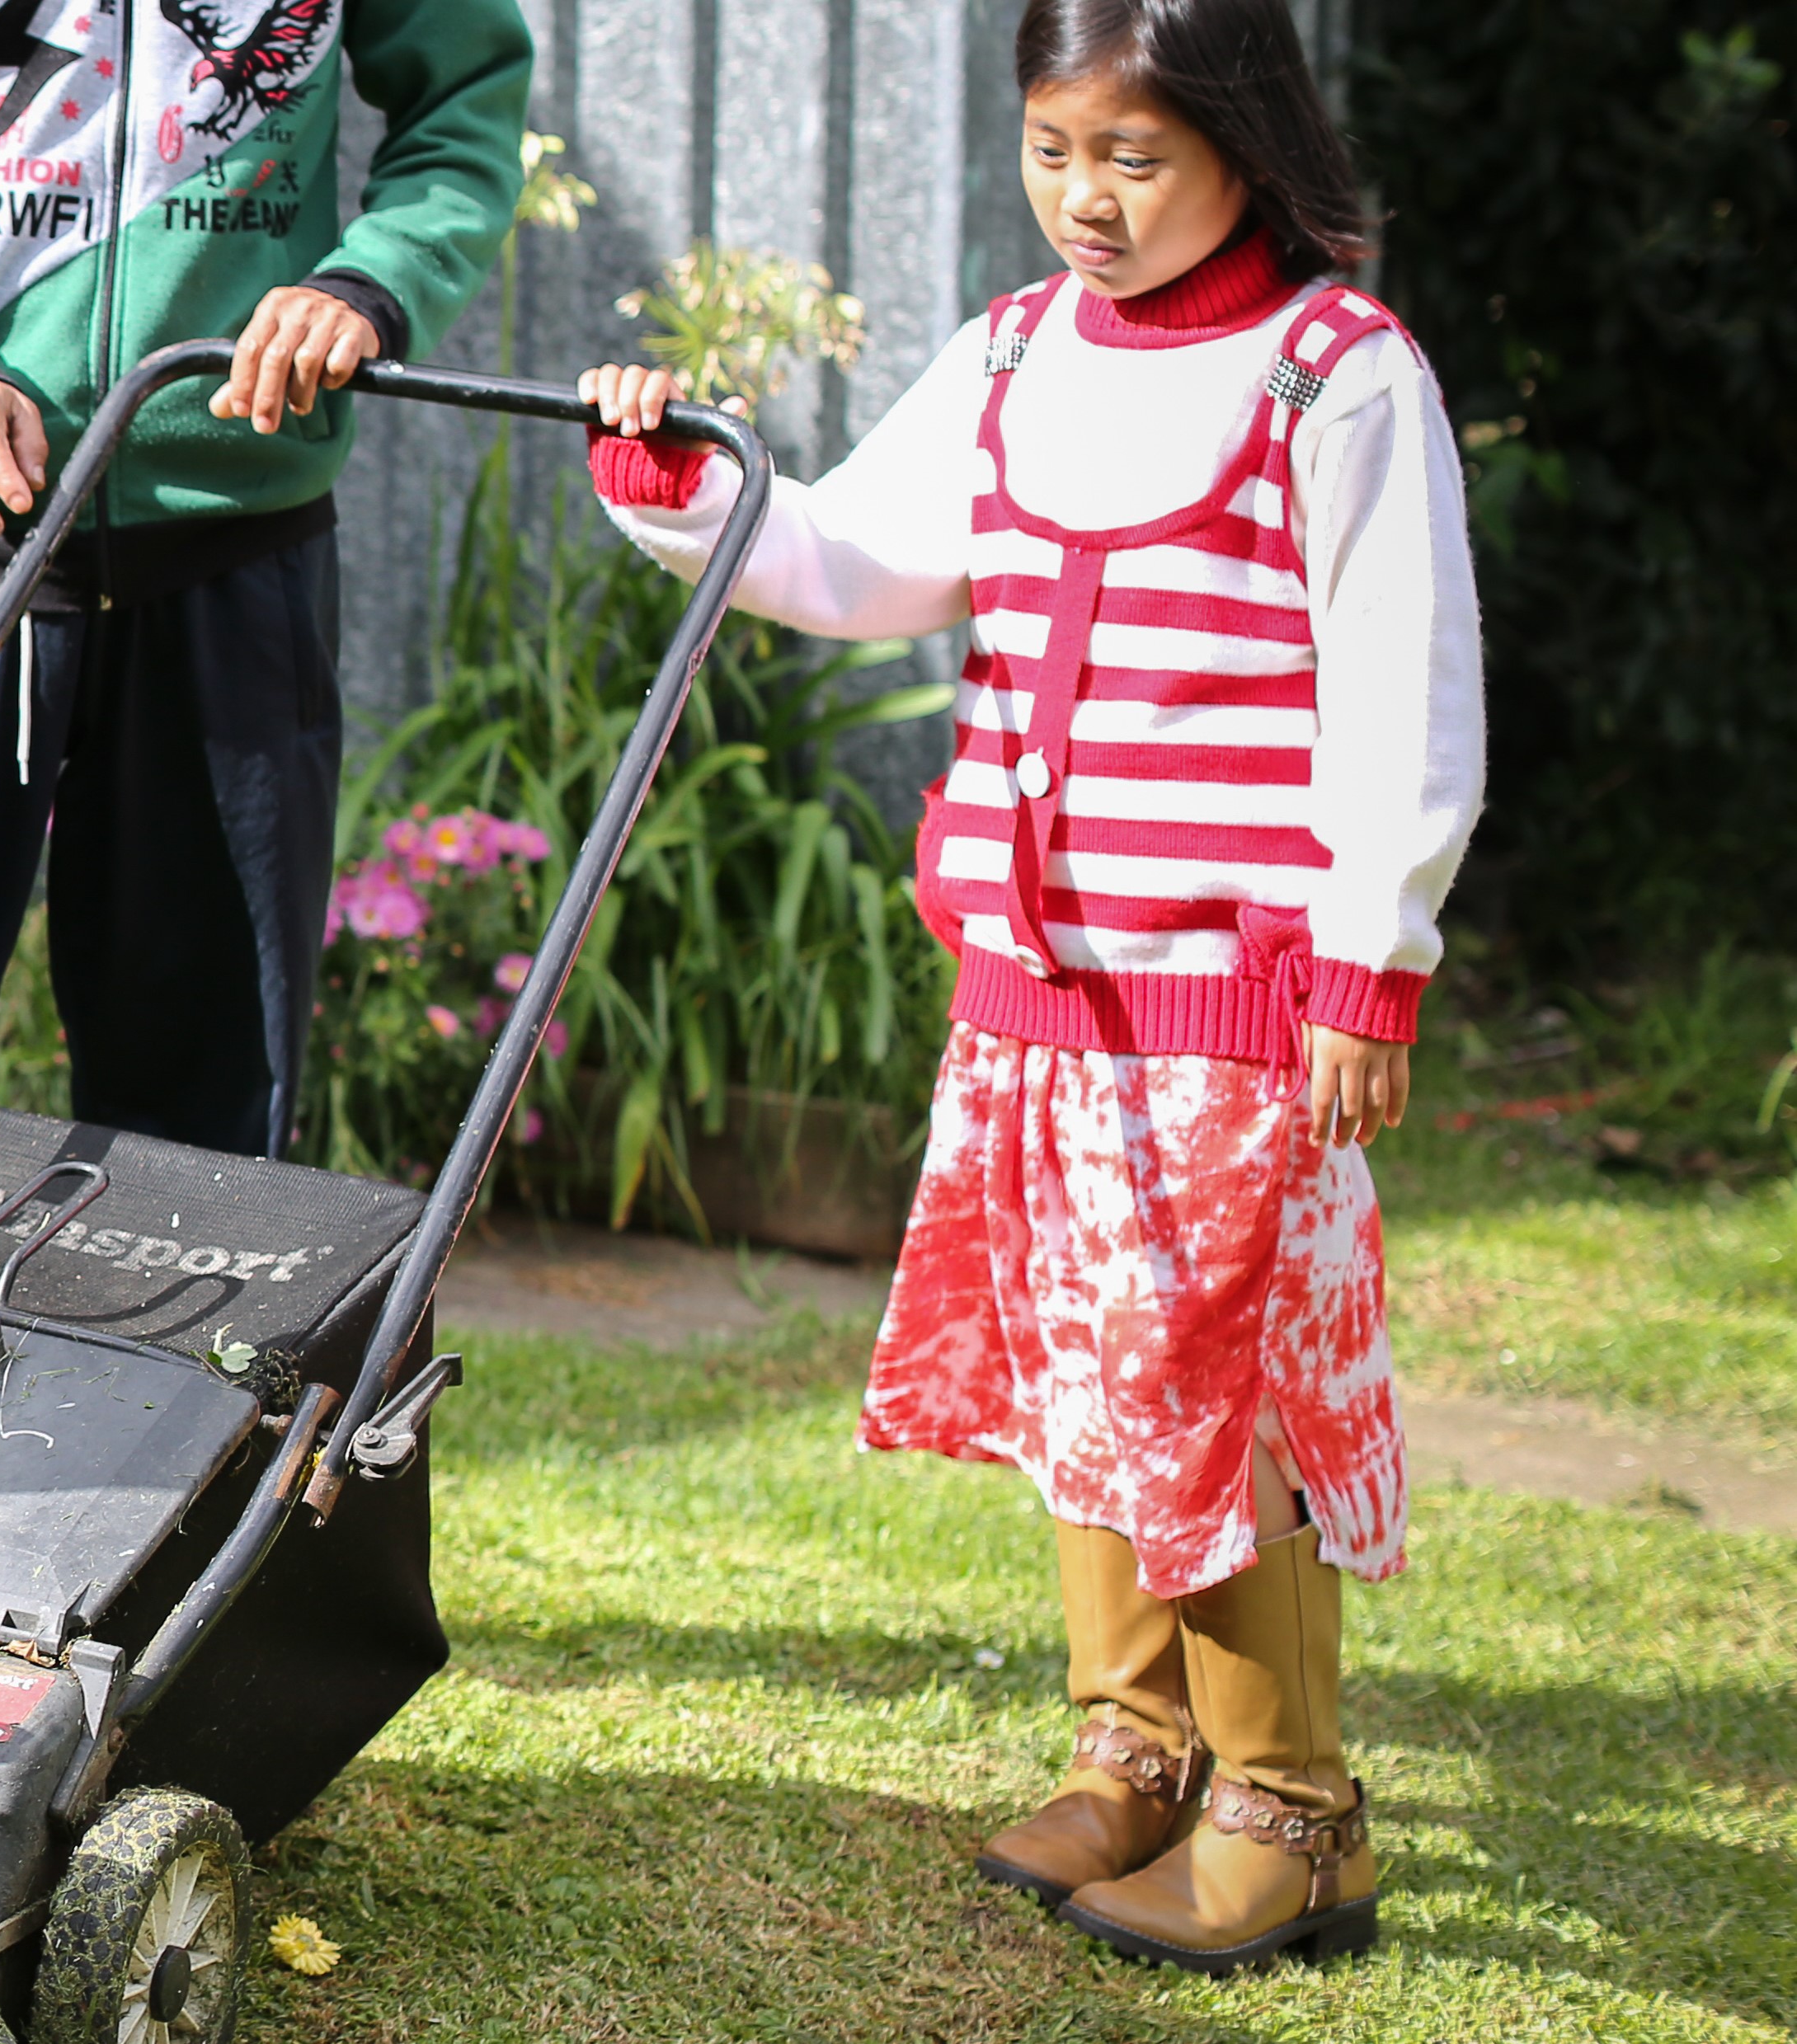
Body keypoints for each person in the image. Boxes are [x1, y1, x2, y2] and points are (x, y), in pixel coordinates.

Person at [577, 0, 1475, 1975]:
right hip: (1038, 1006)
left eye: (1131, 157)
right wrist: (675, 487)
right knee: (1085, 1362)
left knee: (1206, 1383)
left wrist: (1365, 965)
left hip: (1231, 994)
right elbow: (843, 558)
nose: (1085, 198)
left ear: (1240, 139)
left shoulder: (1329, 376)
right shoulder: (1007, 356)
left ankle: (1286, 1807)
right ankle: (1133, 1742)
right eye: (1052, 149)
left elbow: (1404, 685)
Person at [0, 0, 534, 1280]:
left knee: (203, 1133)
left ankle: (165, 1459)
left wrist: (371, 281)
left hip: (235, 561)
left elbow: (466, 113)